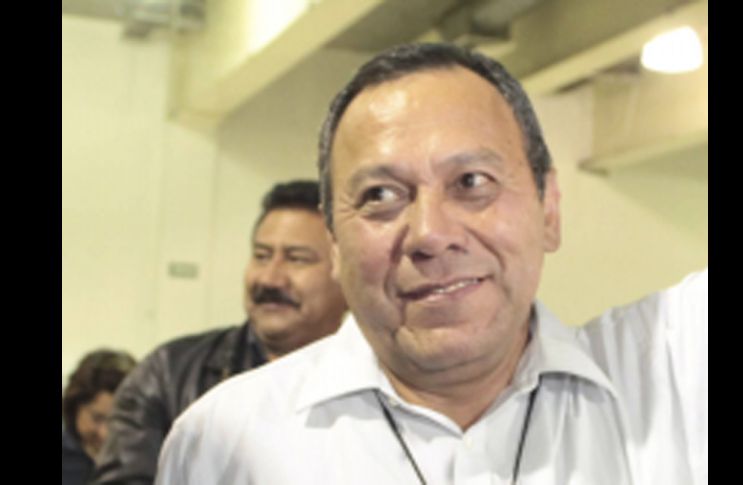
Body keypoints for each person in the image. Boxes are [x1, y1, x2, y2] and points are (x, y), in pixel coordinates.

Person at [154, 43, 708, 485]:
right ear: (335, 242)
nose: (430, 234)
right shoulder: (227, 443)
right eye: (380, 196)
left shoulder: (670, 380)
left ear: (549, 210)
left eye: (471, 182)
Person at [92, 180, 348, 485]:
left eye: (296, 259)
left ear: (346, 272)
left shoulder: (380, 383)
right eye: (262, 255)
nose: (270, 278)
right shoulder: (168, 374)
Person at [62, 349, 136, 485]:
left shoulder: (142, 458)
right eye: (96, 418)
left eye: (116, 420)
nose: (104, 433)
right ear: (75, 408)